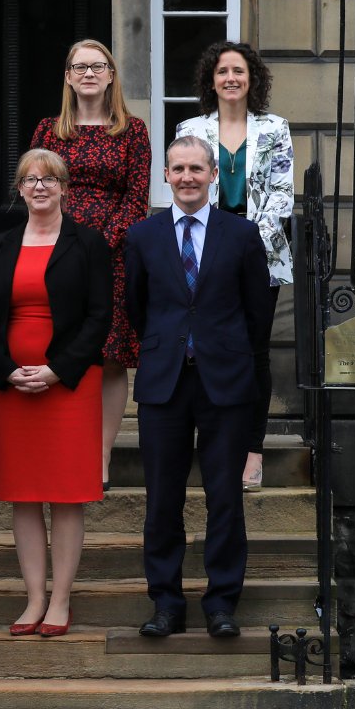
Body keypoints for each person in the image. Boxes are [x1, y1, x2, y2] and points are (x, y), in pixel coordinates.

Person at [124, 136, 268, 639]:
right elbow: (138, 307)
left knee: (224, 496)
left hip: (224, 381)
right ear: (166, 175)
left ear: (213, 175)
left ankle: (221, 603)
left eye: (196, 169)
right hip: (164, 381)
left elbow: (256, 315)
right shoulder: (142, 236)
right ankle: (166, 603)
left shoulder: (242, 234)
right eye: (178, 169)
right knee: (162, 498)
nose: (187, 177)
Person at [0, 149, 111, 638]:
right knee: (24, 495)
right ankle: (33, 597)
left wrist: (56, 371)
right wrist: (7, 371)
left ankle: (60, 599)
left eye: (49, 179)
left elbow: (100, 317)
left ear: (64, 188)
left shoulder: (88, 242)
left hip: (69, 386)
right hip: (13, 389)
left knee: (66, 495)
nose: (39, 187)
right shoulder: (0, 244)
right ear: (19, 189)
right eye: (30, 179)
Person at [30, 39, 150, 488]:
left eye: (98, 66)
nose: (89, 74)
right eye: (79, 67)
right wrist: (62, 241)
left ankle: (100, 455)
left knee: (110, 357)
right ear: (68, 76)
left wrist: (99, 244)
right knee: (58, 346)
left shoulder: (132, 131)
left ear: (111, 74)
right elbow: (35, 185)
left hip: (112, 255)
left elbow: (137, 198)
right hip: (55, 250)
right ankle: (62, 444)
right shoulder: (49, 131)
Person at [176, 41, 294, 492]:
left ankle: (251, 450)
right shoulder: (190, 128)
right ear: (211, 80)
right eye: (222, 71)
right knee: (205, 349)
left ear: (252, 78)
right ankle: (213, 447)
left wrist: (240, 247)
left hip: (260, 257)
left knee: (254, 353)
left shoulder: (275, 127)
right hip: (200, 257)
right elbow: (186, 189)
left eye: (239, 71)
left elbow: (281, 195)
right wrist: (216, 249)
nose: (231, 78)